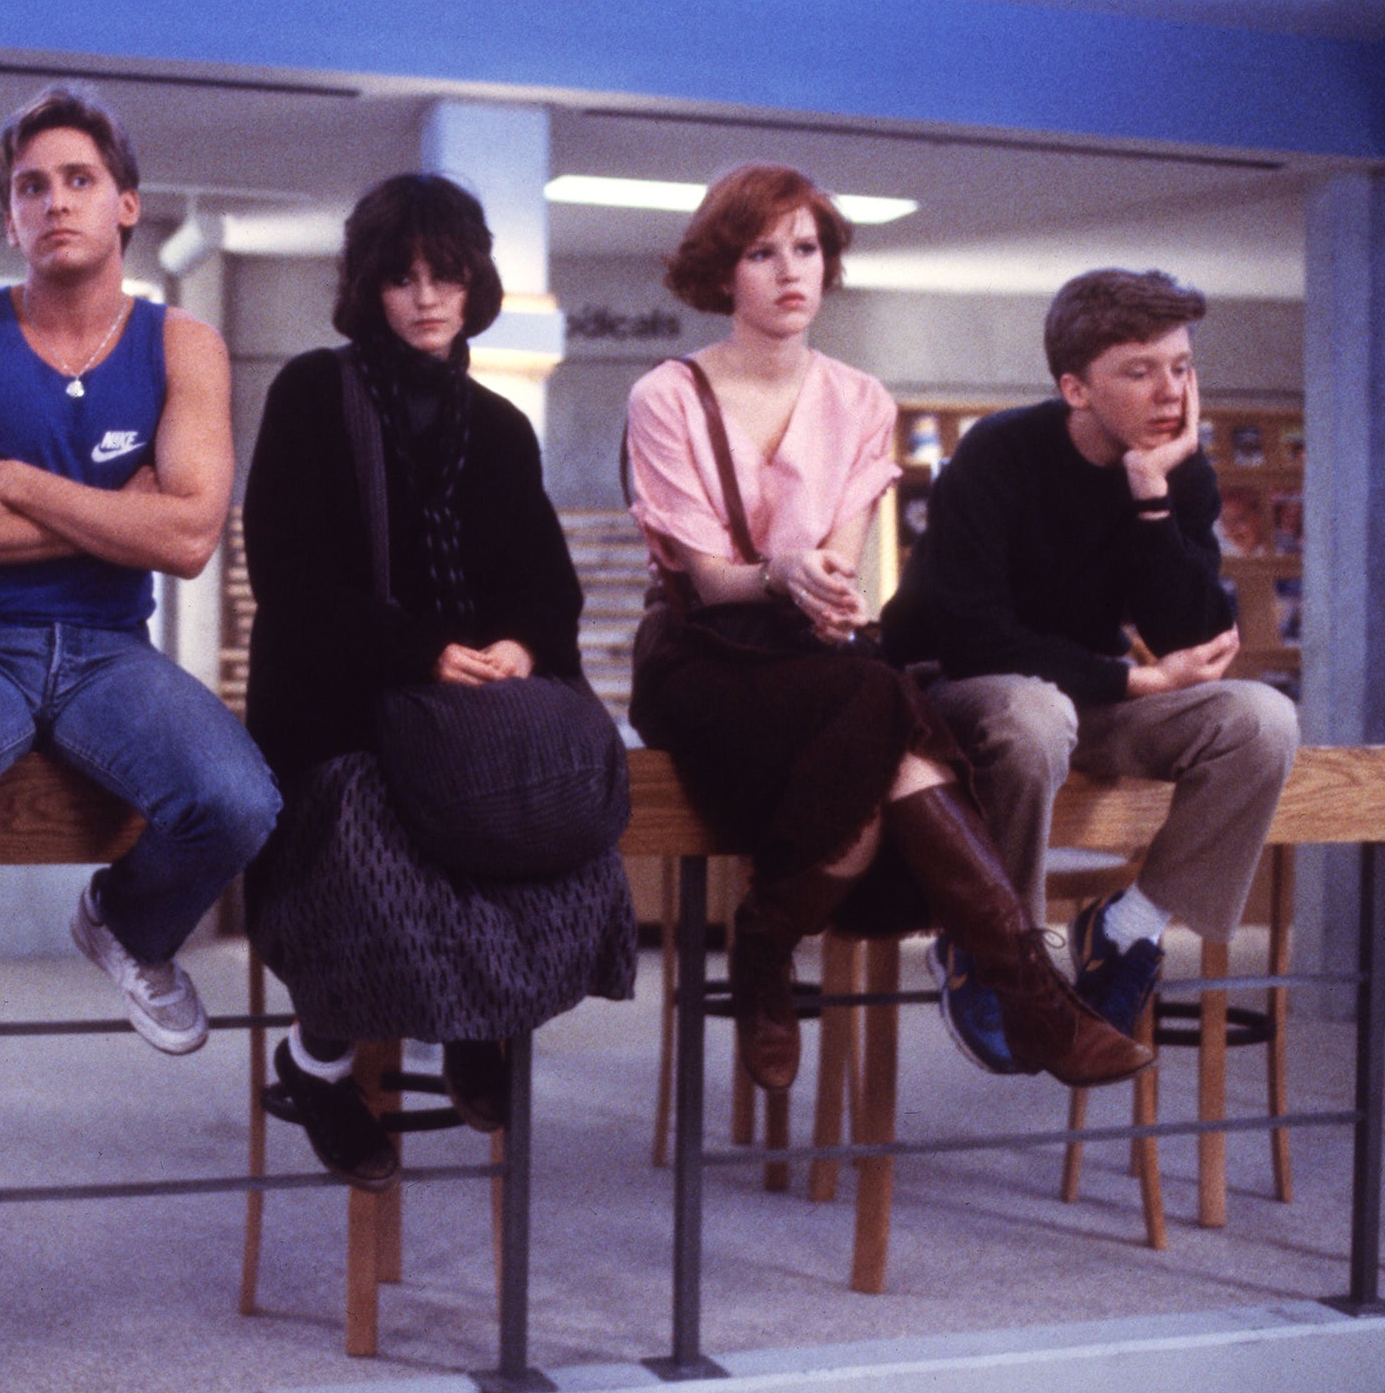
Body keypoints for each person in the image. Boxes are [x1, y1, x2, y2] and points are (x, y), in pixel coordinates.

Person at [625, 164, 1152, 1093]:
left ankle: (775, 949)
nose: (793, 270)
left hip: (814, 661)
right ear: (723, 272)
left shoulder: (863, 400)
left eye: (808, 248)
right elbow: (706, 583)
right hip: (701, 656)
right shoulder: (665, 395)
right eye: (762, 252)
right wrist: (781, 576)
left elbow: (839, 559)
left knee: (878, 747)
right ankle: (1022, 988)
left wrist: (818, 588)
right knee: (887, 708)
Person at [0, 86, 279, 1058]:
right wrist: (115, 512)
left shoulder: (183, 345)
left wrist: (7, 482)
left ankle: (125, 926)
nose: (54, 203)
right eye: (31, 187)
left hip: (108, 648)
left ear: (125, 202)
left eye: (79, 180)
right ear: (9, 218)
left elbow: (188, 542)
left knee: (239, 803)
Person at [242, 174, 635, 1190]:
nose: (424, 297)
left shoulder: (498, 427)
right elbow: (287, 576)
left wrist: (516, 646)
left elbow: (544, 586)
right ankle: (315, 1064)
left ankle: (480, 1024)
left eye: (445, 276)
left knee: (556, 831)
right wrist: (416, 651)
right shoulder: (309, 394)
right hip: (344, 708)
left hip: (469, 716)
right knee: (374, 849)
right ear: (367, 287)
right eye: (401, 277)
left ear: (473, 287)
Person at [883, 268, 1299, 1070]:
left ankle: (1127, 928)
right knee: (1037, 712)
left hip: (1083, 700)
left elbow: (1200, 639)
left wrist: (1151, 496)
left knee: (1262, 719)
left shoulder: (1181, 472)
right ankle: (994, 950)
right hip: (960, 696)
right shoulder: (998, 452)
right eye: (1139, 372)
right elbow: (974, 639)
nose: (1169, 391)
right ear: (1076, 387)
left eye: (1181, 367)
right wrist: (1138, 681)